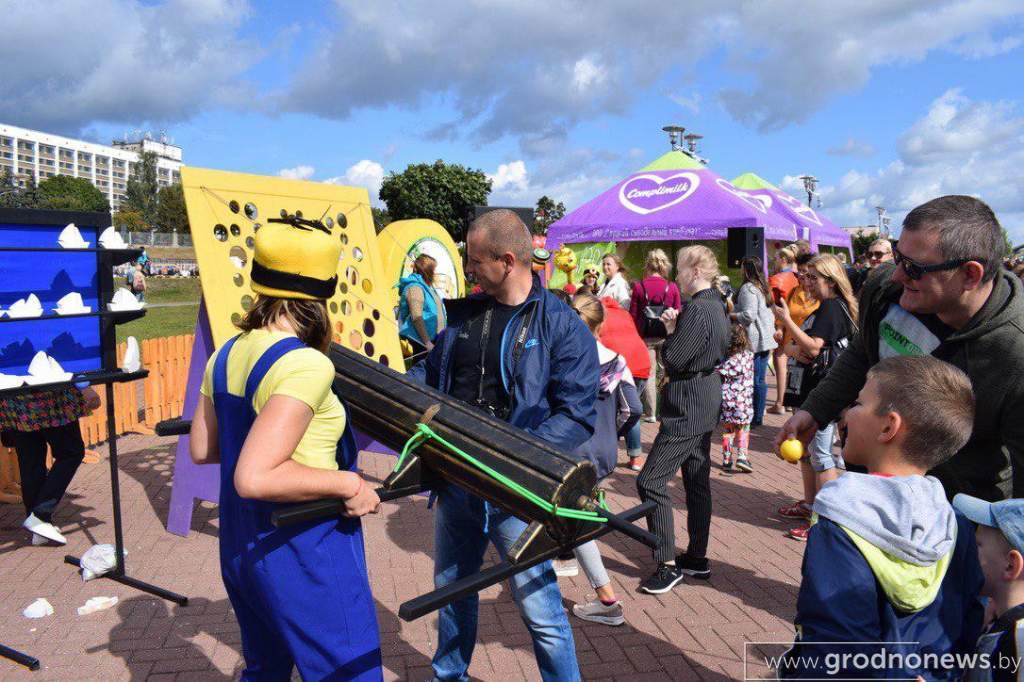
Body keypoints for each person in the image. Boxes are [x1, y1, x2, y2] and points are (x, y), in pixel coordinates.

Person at [188, 218, 383, 680]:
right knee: (349, 673)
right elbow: (255, 476)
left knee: (265, 672)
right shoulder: (305, 363)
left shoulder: (226, 352)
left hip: (241, 546)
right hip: (304, 545)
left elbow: (203, 448)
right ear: (323, 290)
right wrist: (349, 482)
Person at [407, 209, 597, 682]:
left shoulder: (561, 325)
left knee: (541, 611)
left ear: (507, 260)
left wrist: (515, 455)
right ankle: (450, 677)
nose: (468, 269)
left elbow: (576, 413)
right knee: (452, 591)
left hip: (517, 492)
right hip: (458, 484)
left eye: (474, 260)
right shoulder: (463, 319)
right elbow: (431, 383)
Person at [777, 195, 1024, 502]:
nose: (896, 274)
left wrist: (1002, 536)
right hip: (872, 494)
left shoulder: (1015, 352)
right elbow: (862, 353)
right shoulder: (887, 290)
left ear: (970, 275)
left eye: (914, 267)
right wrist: (816, 411)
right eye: (897, 255)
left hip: (956, 523)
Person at [780, 356, 984, 679]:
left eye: (859, 403)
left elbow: (836, 649)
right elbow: (969, 620)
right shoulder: (954, 522)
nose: (847, 413)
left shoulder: (842, 518)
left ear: (889, 426)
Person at [635, 245, 730, 594]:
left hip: (689, 401)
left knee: (651, 481)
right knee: (695, 479)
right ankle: (697, 556)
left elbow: (673, 358)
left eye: (679, 269)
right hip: (704, 395)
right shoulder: (716, 303)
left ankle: (667, 563)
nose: (676, 276)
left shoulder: (699, 309)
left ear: (694, 270)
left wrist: (669, 329)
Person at [567, 293, 642, 627]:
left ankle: (608, 600)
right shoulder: (615, 360)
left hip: (568, 451)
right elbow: (634, 409)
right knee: (579, 513)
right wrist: (614, 434)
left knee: (579, 521)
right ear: (601, 323)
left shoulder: (561, 361)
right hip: (603, 452)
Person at [772, 253, 857, 541]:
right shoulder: (830, 307)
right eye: (804, 276)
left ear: (830, 281)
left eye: (812, 277)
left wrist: (787, 322)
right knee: (809, 453)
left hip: (823, 394)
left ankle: (823, 521)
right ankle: (810, 504)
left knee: (821, 455)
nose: (806, 282)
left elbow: (813, 347)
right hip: (816, 390)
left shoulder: (832, 307)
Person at [1, 385, 101, 545]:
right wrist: (84, 386)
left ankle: (39, 527)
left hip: (13, 397)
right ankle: (39, 515)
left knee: (31, 463)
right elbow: (59, 360)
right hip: (47, 395)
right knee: (71, 452)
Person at [952, 495, 1024, 681]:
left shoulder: (1017, 642)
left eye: (977, 545)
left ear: (1011, 565)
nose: (968, 551)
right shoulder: (998, 623)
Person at [597, 295, 651, 471]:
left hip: (621, 365)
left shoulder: (599, 314)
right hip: (641, 362)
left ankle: (609, 451)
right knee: (632, 411)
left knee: (620, 410)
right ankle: (635, 458)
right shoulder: (624, 314)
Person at [629, 248, 682, 423]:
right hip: (668, 336)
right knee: (668, 373)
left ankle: (651, 413)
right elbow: (678, 312)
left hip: (646, 337)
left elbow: (634, 315)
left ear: (648, 265)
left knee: (650, 374)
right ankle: (668, 409)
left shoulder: (639, 287)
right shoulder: (672, 287)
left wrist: (637, 336)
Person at [768, 252, 819, 415]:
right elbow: (784, 315)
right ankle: (782, 403)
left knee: (813, 400)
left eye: (806, 272)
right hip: (791, 348)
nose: (802, 275)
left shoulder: (820, 296)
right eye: (801, 271)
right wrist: (779, 329)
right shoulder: (793, 291)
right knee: (796, 398)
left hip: (811, 351)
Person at [731, 257, 777, 427]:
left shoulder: (748, 288)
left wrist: (731, 315)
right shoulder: (761, 286)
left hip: (756, 339)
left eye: (742, 267)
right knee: (760, 379)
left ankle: (756, 417)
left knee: (756, 379)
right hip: (765, 338)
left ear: (747, 270)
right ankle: (757, 414)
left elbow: (749, 315)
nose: (740, 271)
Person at [717, 324, 754, 473]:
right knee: (743, 428)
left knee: (728, 430)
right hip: (743, 403)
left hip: (727, 402)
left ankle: (727, 459)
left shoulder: (727, 361)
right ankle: (742, 457)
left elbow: (719, 371)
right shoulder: (749, 357)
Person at [397, 254, 447, 355]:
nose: (435, 274)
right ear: (427, 271)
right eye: (434, 270)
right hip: (422, 344)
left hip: (433, 342)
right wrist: (427, 343)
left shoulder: (428, 288)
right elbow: (417, 317)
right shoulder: (415, 287)